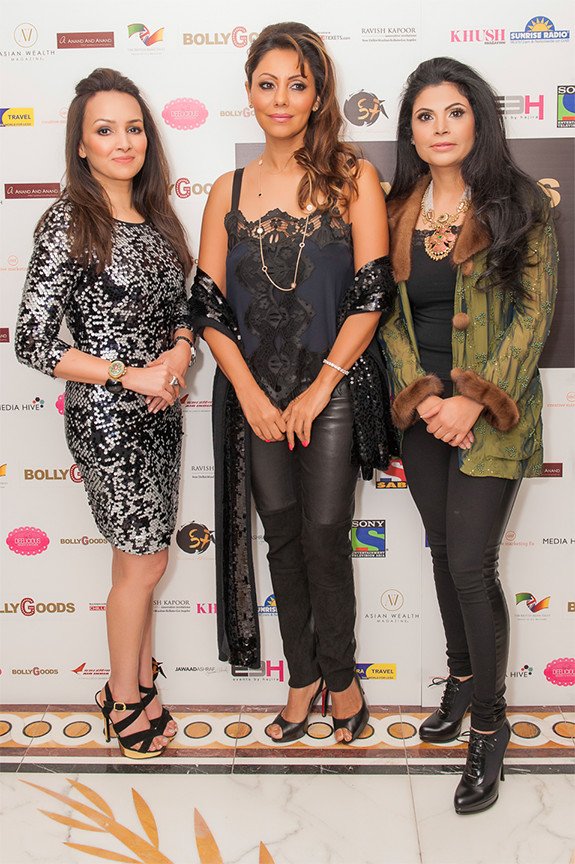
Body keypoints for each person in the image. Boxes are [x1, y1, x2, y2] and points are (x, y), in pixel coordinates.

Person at [190, 22, 397, 744]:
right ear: (249, 91)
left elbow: (371, 294)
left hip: (330, 389)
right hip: (252, 395)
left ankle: (342, 681)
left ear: (317, 95)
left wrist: (318, 390)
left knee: (324, 533)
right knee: (279, 535)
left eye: (296, 84)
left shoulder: (352, 177)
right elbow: (208, 305)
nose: (280, 98)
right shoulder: (227, 189)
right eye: (267, 83)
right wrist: (249, 394)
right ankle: (300, 678)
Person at [379, 57, 558, 811]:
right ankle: (459, 679)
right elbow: (386, 319)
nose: (440, 127)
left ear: (478, 119)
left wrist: (471, 401)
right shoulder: (396, 209)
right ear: (410, 132)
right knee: (442, 551)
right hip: (423, 416)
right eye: (424, 116)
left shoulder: (519, 204)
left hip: (494, 412)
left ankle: (489, 725)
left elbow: (533, 316)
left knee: (470, 566)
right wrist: (424, 398)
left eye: (454, 112)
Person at [15, 68, 195, 759]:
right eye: (105, 129)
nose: (124, 142)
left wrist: (178, 353)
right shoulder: (70, 221)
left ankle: (139, 683)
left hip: (161, 412)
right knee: (142, 566)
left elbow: (182, 309)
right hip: (109, 421)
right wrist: (128, 373)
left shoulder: (157, 218)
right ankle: (123, 698)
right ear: (81, 145)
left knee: (143, 562)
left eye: (134, 128)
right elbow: (32, 341)